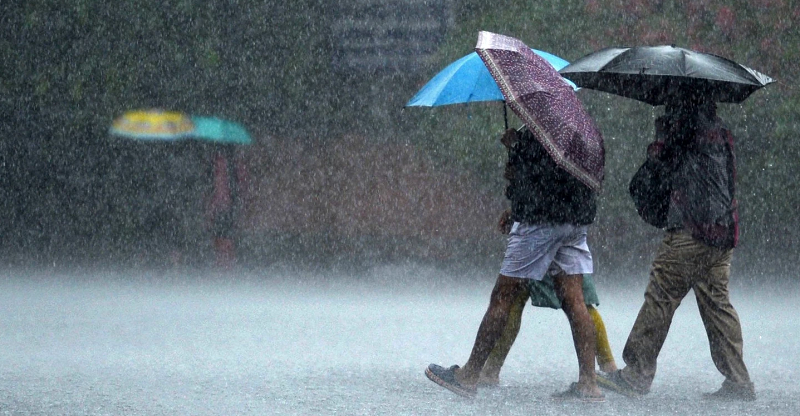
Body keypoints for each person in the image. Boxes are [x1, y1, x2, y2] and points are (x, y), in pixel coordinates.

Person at [425, 126, 604, 402]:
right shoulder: (582, 130)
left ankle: (470, 374)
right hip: (576, 220)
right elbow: (573, 178)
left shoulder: (538, 131)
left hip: (539, 222)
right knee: (575, 300)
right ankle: (589, 384)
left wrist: (516, 150)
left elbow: (533, 178)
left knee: (503, 296)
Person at [596, 93, 756, 401]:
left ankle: (636, 374)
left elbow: (658, 171)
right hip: (723, 230)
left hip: (691, 229)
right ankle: (738, 379)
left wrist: (660, 143)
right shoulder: (719, 130)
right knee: (717, 304)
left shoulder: (684, 130)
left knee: (661, 295)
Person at [476, 209, 617, 387]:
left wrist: (520, 206)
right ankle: (606, 369)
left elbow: (541, 183)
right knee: (578, 302)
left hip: (543, 223)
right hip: (570, 219)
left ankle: (489, 371)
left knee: (515, 297)